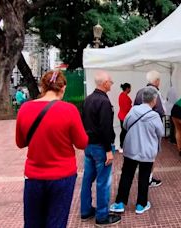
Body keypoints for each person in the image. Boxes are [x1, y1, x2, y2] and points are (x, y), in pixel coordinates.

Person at [15, 71, 88, 228]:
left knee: (33, 223)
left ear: (43, 87)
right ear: (62, 88)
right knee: (56, 222)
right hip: (62, 175)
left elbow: (20, 143)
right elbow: (82, 143)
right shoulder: (69, 110)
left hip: (34, 175)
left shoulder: (25, 108)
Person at [110, 87, 164, 215]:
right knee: (144, 177)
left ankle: (119, 204)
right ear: (154, 100)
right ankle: (141, 205)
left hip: (131, 149)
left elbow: (125, 125)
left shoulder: (133, 110)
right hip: (147, 151)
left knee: (126, 175)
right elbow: (161, 132)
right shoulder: (154, 115)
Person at [81, 71, 121, 226]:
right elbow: (105, 128)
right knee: (103, 182)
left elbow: (83, 123)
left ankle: (85, 211)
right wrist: (109, 150)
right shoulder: (104, 101)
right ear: (104, 83)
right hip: (100, 147)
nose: (112, 84)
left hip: (88, 146)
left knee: (87, 180)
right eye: (110, 81)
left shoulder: (88, 99)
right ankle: (102, 217)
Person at [134, 70, 164, 188]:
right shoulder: (155, 92)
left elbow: (135, 109)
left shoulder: (139, 92)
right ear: (156, 81)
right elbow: (160, 112)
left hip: (139, 129)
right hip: (151, 130)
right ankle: (148, 179)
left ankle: (143, 175)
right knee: (151, 154)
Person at [118, 83, 132, 153]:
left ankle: (123, 146)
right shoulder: (125, 97)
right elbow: (127, 108)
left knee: (124, 132)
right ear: (127, 88)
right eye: (130, 88)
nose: (130, 90)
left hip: (122, 116)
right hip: (124, 117)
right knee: (124, 132)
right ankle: (122, 146)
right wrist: (132, 108)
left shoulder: (121, 95)